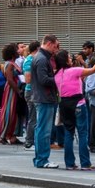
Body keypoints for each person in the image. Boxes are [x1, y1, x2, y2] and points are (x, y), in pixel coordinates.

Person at [57, 50, 95, 170]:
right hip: (78, 103)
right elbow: (93, 70)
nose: (71, 59)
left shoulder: (56, 74)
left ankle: (69, 163)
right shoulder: (74, 70)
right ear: (65, 60)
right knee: (83, 133)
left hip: (64, 104)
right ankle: (85, 163)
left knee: (69, 133)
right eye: (68, 57)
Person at [31, 35, 60, 169]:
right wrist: (59, 79)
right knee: (44, 130)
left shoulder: (40, 57)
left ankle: (40, 158)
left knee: (41, 129)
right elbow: (43, 80)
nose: (55, 49)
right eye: (55, 46)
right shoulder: (42, 59)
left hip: (42, 98)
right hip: (45, 98)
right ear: (49, 44)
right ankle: (42, 159)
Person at [0, 43, 23, 145]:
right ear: (12, 52)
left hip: (14, 89)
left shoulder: (12, 63)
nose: (18, 51)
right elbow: (10, 79)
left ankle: (12, 136)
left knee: (15, 113)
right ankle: (3, 135)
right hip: (11, 91)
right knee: (9, 112)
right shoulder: (9, 64)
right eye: (16, 50)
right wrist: (18, 90)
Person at [21, 41, 40, 151]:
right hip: (31, 92)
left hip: (35, 91)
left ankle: (32, 140)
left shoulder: (34, 59)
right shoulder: (29, 60)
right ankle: (29, 142)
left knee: (35, 118)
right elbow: (28, 79)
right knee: (33, 118)